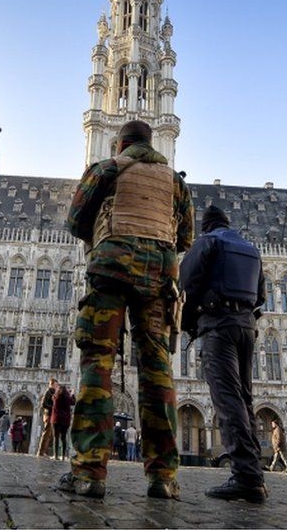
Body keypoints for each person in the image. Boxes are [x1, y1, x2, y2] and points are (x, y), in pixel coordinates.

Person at [57, 120, 194, 500]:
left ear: (120, 144)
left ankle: (89, 472)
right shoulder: (175, 182)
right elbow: (185, 238)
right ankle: (163, 477)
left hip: (110, 272)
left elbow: (75, 221)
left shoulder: (105, 169)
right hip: (158, 279)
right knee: (157, 371)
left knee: (97, 363)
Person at [180, 205, 267, 504]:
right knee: (244, 399)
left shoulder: (208, 242)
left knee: (227, 401)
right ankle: (254, 474)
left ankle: (246, 477)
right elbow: (261, 295)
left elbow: (186, 285)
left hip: (218, 326)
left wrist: (188, 322)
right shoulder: (251, 250)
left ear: (206, 226)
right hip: (247, 327)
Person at [52, 384, 75, 461]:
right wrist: (72, 394)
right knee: (63, 438)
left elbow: (53, 400)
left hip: (56, 419)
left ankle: (55, 455)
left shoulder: (56, 397)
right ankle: (63, 456)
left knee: (56, 437)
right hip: (65, 420)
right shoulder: (68, 398)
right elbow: (73, 402)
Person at [36, 378, 58, 457]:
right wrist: (52, 408)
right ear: (52, 384)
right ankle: (40, 452)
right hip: (48, 415)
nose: (56, 386)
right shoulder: (48, 392)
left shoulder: (53, 393)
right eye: (55, 385)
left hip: (51, 415)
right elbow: (43, 404)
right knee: (46, 434)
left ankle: (44, 451)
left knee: (48, 435)